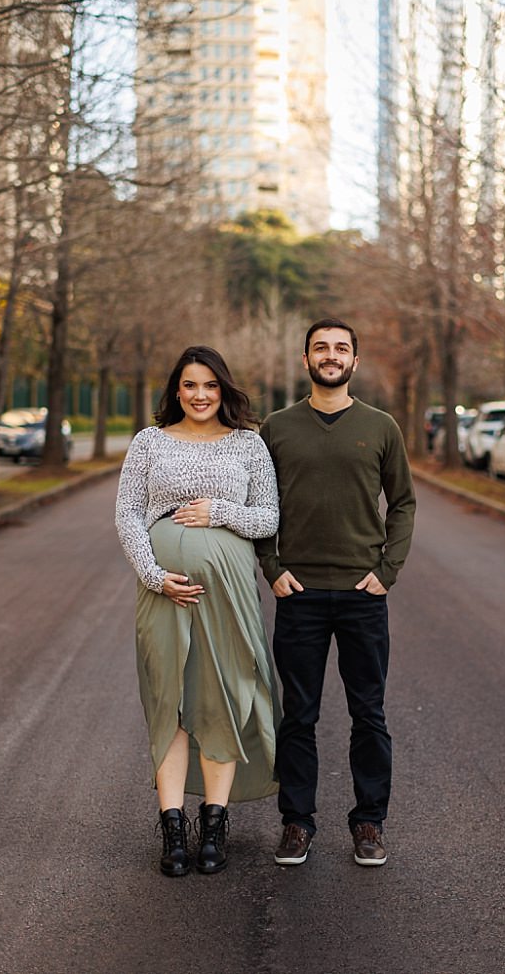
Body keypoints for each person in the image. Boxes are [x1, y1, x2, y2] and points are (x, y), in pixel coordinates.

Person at [255, 318, 416, 868]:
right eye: (321, 347)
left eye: (341, 348)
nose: (331, 355)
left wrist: (387, 571)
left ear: (354, 360)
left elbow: (403, 503)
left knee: (368, 713)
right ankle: (297, 823)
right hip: (298, 593)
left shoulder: (381, 426)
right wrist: (271, 567)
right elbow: (259, 504)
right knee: (298, 716)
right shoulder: (277, 428)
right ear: (306, 360)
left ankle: (369, 822)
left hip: (362, 595)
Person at [115, 345, 281, 878]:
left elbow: (269, 518)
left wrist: (219, 512)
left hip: (227, 595)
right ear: (176, 390)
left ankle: (213, 825)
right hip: (162, 592)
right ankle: (172, 830)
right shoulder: (149, 442)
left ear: (223, 389)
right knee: (169, 702)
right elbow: (127, 515)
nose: (200, 395)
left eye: (210, 385)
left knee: (220, 701)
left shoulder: (248, 444)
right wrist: (153, 575)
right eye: (190, 385)